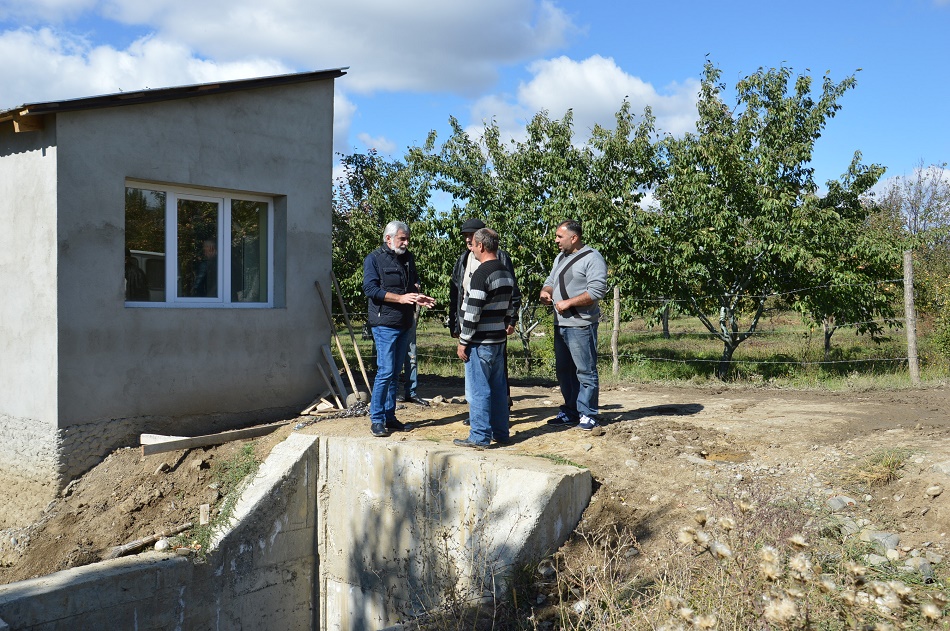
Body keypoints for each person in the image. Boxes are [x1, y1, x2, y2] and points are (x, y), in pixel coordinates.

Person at [362, 221, 435, 437]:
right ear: (389, 238)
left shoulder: (407, 258)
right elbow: (370, 289)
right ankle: (377, 420)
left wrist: (418, 296)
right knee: (385, 371)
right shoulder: (373, 259)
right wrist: (400, 298)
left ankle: (390, 417)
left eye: (407, 239)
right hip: (384, 324)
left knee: (394, 373)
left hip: (405, 322)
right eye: (402, 238)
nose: (406, 242)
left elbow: (412, 284)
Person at [448, 218, 522, 417]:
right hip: (470, 325)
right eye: (465, 236)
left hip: (491, 327)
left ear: (482, 239)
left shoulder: (499, 259)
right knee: (477, 377)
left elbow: (511, 291)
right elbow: (456, 292)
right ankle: (485, 416)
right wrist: (455, 323)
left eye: (471, 236)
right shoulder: (464, 259)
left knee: (493, 375)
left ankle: (490, 418)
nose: (468, 240)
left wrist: (511, 320)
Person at [539, 219, 608, 431]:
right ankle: (571, 411)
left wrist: (569, 302)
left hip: (581, 324)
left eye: (560, 236)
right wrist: (545, 292)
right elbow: (550, 281)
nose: (556, 240)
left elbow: (597, 291)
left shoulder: (592, 258)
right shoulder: (560, 258)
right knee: (564, 371)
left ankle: (589, 414)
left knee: (585, 371)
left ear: (574, 237)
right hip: (561, 323)